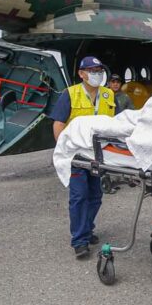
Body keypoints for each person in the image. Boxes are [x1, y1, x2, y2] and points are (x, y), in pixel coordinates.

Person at [49, 56, 116, 259]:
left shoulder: (108, 94)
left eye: (99, 70)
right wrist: (65, 151)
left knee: (96, 196)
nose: (97, 74)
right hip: (77, 156)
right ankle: (79, 240)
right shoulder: (70, 94)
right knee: (79, 197)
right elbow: (58, 124)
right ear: (81, 73)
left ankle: (87, 229)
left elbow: (116, 124)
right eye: (92, 70)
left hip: (98, 155)